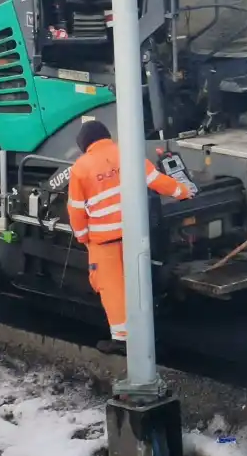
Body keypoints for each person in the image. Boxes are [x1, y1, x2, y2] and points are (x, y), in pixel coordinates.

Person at [65, 119, 194, 345]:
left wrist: (82, 236)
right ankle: (147, 328)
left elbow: (76, 210)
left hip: (104, 240)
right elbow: (157, 180)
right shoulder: (128, 153)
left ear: (84, 144)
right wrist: (182, 191)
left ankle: (123, 342)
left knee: (111, 288)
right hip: (133, 232)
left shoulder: (80, 168)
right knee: (137, 281)